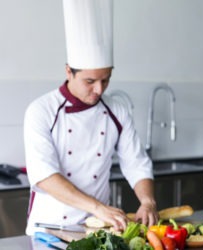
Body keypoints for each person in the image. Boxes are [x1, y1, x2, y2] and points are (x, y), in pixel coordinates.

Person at [24, 0, 157, 235]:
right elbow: (45, 176)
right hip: (50, 228)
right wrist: (98, 208)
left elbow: (136, 163)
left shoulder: (117, 111)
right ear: (68, 71)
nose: (99, 90)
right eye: (90, 81)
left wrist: (147, 201)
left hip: (97, 227)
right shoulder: (41, 110)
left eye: (105, 80)